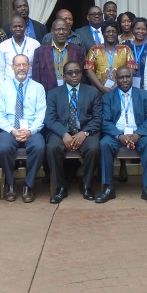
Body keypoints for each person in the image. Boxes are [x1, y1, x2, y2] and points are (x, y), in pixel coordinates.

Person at [44, 61, 102, 203]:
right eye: (70, 73)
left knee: (94, 148)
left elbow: (98, 118)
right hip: (61, 132)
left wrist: (85, 133)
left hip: (85, 132)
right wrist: (64, 134)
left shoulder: (92, 92)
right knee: (52, 147)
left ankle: (86, 185)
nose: (74, 75)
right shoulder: (53, 94)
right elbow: (50, 119)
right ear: (64, 76)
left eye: (77, 72)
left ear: (81, 74)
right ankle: (60, 187)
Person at [98, 66, 147, 204]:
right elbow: (105, 121)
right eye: (121, 77)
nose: (125, 80)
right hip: (117, 135)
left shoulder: (144, 95)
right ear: (116, 79)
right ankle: (108, 188)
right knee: (104, 144)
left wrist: (138, 134)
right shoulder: (107, 97)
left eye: (128, 77)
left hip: (139, 133)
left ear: (132, 78)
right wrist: (119, 136)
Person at [0, 54, 46, 203]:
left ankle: (28, 185)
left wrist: (30, 131)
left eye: (24, 64)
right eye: (18, 65)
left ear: (29, 67)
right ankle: (10, 183)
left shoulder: (38, 88)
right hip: (9, 129)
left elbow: (40, 114)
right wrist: (12, 130)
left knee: (39, 147)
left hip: (32, 129)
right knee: (3, 148)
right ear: (12, 67)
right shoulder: (3, 87)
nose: (21, 68)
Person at [32, 18, 85, 93]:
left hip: (72, 92)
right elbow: (36, 78)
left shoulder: (77, 50)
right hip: (48, 93)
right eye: (58, 29)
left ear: (68, 31)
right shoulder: (40, 52)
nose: (61, 32)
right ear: (52, 31)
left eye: (64, 29)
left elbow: (82, 76)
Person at [84, 20, 137, 94]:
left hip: (120, 90)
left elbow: (132, 69)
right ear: (103, 33)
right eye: (108, 31)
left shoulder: (126, 49)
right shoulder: (94, 49)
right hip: (98, 92)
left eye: (114, 31)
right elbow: (88, 71)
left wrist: (118, 85)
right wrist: (101, 88)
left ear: (117, 34)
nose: (111, 34)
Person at [0, 15, 41, 90]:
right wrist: (0, 87)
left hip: (30, 87)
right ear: (10, 28)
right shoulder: (3, 45)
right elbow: (0, 68)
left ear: (25, 28)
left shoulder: (35, 44)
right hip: (9, 87)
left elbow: (38, 69)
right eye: (15, 26)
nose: (18, 29)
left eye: (20, 26)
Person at [126, 17, 147, 89]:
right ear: (132, 30)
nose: (140, 31)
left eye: (143, 29)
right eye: (138, 28)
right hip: (128, 85)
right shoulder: (126, 47)